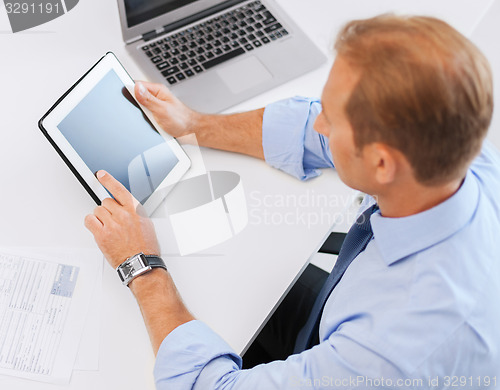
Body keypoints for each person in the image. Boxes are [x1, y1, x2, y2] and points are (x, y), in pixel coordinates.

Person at [84, 14, 500, 389]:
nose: (320, 121)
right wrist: (194, 124)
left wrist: (141, 265)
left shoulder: (387, 353)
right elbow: (309, 128)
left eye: (332, 119)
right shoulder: (458, 142)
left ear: (381, 162)